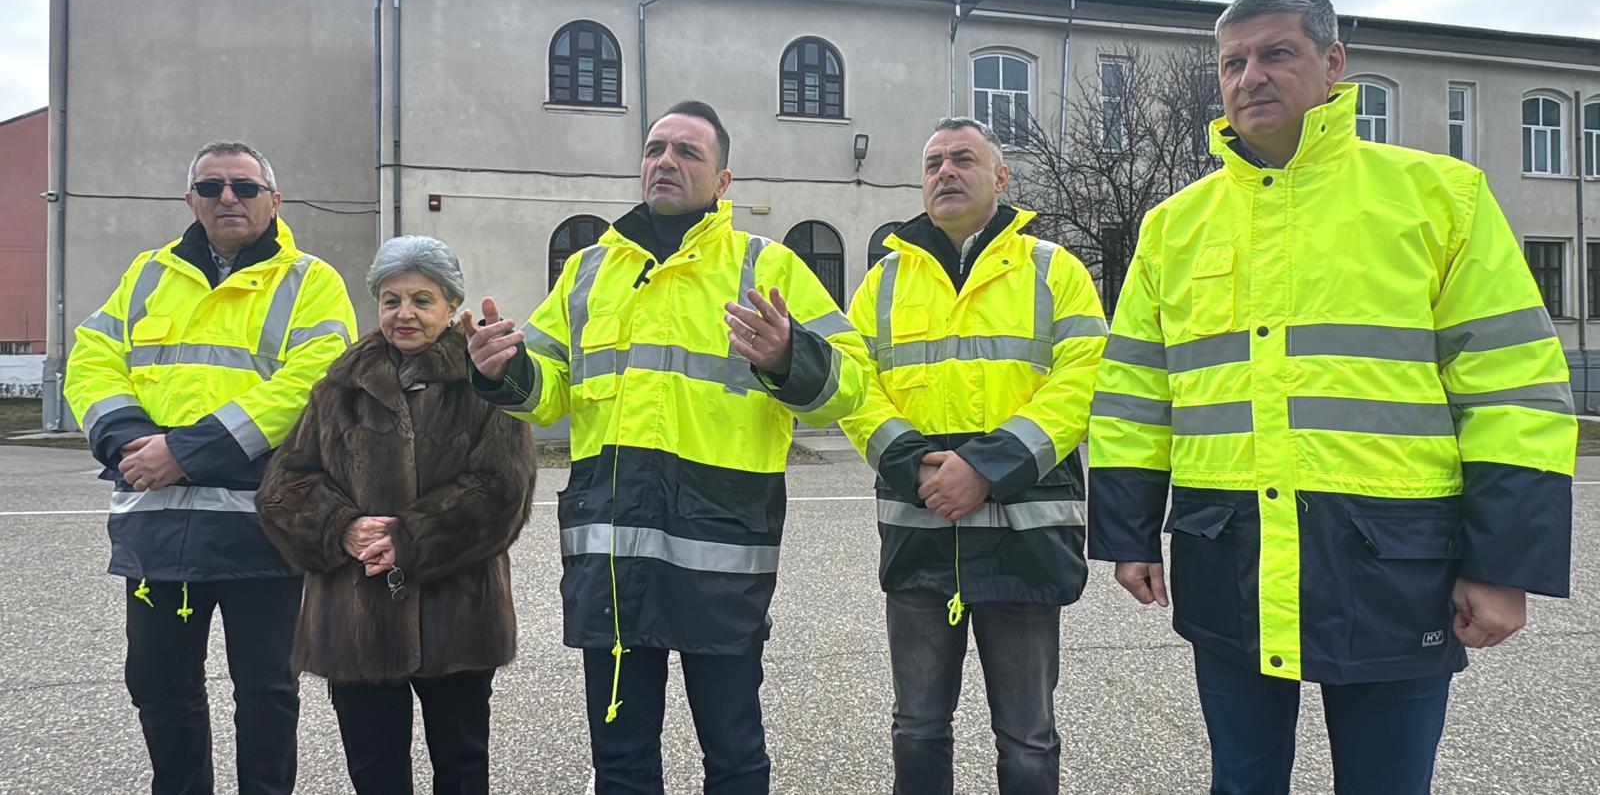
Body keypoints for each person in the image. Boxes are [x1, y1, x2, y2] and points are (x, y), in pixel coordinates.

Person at [1088, 0, 1575, 794]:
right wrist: (1129, 531)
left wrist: (1503, 565)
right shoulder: (1173, 226)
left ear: (1334, 62)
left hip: (1393, 561)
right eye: (1233, 62)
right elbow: (1136, 390)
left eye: (1276, 53)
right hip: (1229, 550)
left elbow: (1513, 386)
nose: (1251, 77)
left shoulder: (1439, 198)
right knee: (1241, 784)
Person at [465, 100, 869, 795]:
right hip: (612, 554)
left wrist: (787, 357)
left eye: (687, 152)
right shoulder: (590, 269)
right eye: (655, 149)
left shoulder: (766, 265)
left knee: (733, 754)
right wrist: (502, 371)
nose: (666, 162)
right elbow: (550, 390)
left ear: (723, 180)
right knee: (620, 761)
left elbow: (849, 384)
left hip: (721, 548)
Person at [64, 140, 357, 795]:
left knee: (267, 691)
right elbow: (92, 360)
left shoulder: (310, 281)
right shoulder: (148, 274)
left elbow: (311, 382)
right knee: (159, 686)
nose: (229, 197)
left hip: (262, 528)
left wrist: (184, 453)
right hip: (157, 529)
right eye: (212, 186)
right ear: (190, 199)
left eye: (245, 187)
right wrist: (126, 439)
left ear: (274, 201)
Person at [840, 118, 1106, 795]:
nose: (946, 172)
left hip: (1024, 543)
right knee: (917, 728)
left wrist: (988, 468)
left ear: (1001, 177)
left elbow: (1084, 378)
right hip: (920, 538)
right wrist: (910, 460)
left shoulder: (1054, 271)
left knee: (1027, 739)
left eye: (963, 159)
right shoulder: (883, 283)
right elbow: (854, 387)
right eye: (933, 163)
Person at [256, 235, 536, 795]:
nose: (404, 313)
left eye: (421, 299)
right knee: (374, 770)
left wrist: (410, 537)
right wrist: (341, 527)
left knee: (462, 765)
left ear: (451, 306)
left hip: (456, 614)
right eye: (391, 300)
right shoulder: (341, 385)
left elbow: (502, 491)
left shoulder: (482, 379)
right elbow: (283, 486)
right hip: (356, 616)